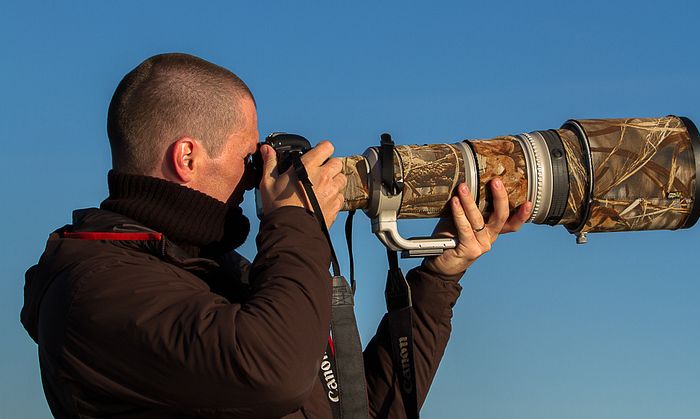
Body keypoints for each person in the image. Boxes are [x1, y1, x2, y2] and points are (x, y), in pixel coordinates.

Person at [21, 53, 532, 418]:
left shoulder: (220, 275)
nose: (257, 176)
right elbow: (274, 372)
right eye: (249, 157)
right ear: (188, 157)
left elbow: (364, 409)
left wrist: (440, 275)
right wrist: (297, 223)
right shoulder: (93, 292)